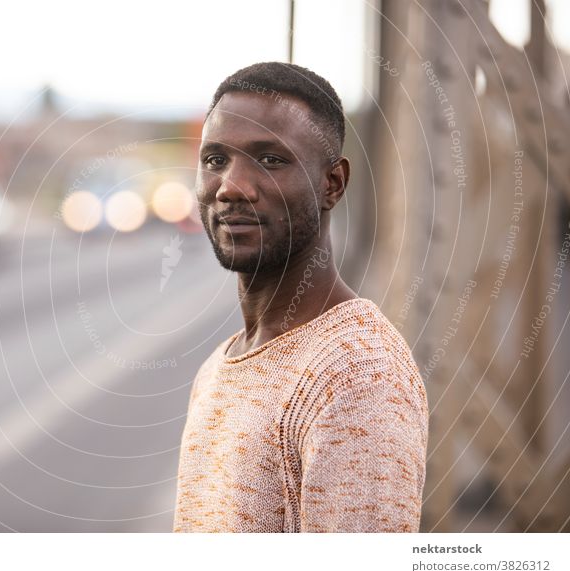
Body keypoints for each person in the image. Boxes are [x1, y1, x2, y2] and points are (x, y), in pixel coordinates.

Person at [172, 62, 429, 532]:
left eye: (270, 159)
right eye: (215, 160)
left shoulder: (356, 374)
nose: (231, 187)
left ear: (332, 184)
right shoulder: (218, 367)